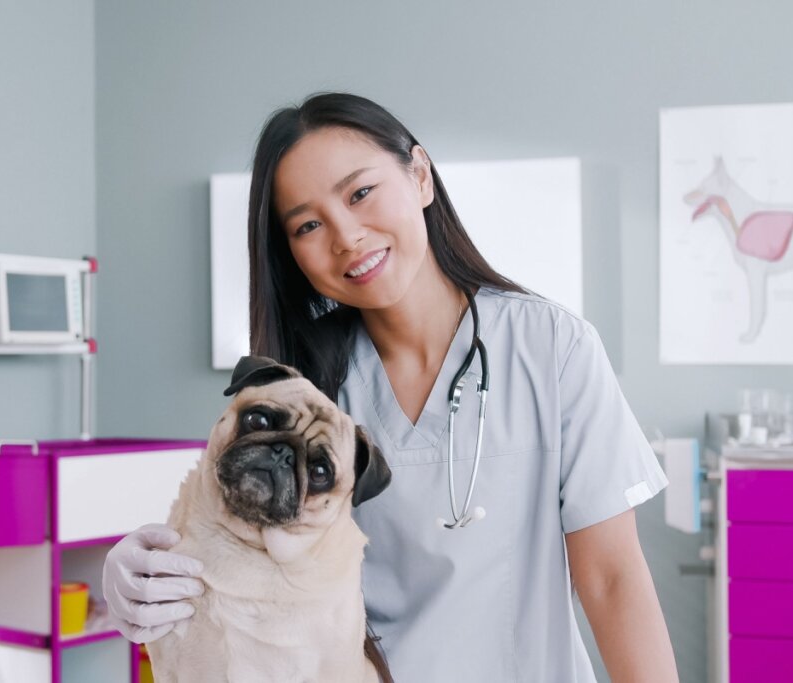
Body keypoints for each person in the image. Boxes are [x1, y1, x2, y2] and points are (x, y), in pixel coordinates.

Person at [103, 92, 678, 682]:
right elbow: (241, 560)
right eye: (308, 224)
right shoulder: (307, 391)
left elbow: (612, 579)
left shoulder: (552, 347)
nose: (346, 236)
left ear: (421, 175)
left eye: (360, 193)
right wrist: (144, 574)